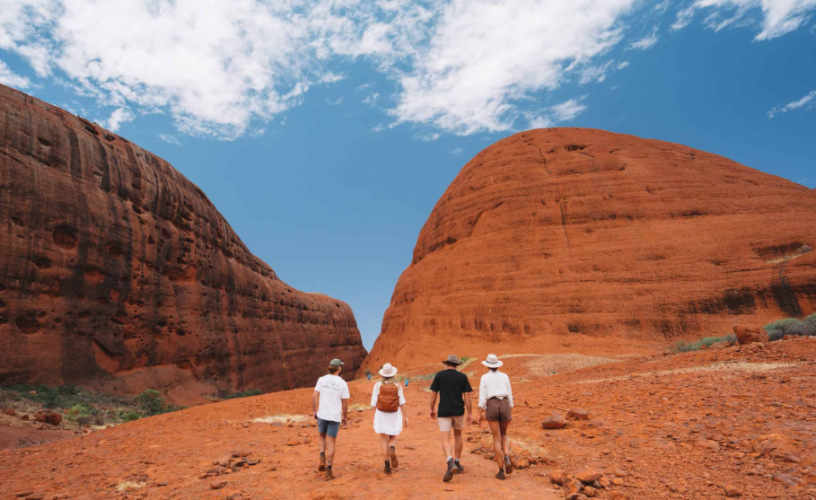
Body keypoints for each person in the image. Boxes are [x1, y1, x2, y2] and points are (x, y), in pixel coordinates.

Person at [429, 354, 473, 482]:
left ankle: (450, 462)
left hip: (444, 411)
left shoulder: (440, 375)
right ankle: (457, 462)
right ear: (456, 365)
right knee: (458, 435)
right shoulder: (462, 377)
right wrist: (470, 412)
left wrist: (431, 409)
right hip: (458, 411)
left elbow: (433, 394)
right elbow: (468, 396)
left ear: (447, 364)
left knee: (445, 438)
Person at [477, 354, 514, 480]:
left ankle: (501, 470)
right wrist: (510, 408)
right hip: (504, 403)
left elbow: (482, 397)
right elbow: (510, 393)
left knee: (496, 438)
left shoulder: (484, 377)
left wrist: (480, 413)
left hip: (492, 404)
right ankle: (507, 456)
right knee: (504, 435)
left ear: (487, 365)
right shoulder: (505, 376)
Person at [312, 358, 350, 480]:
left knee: (322, 436)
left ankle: (322, 456)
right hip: (334, 416)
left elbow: (314, 397)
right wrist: (345, 417)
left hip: (322, 414)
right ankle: (328, 470)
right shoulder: (343, 383)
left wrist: (314, 411)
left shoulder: (321, 379)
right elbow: (345, 403)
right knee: (332, 442)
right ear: (339, 368)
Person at [370, 363, 409, 474]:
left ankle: (387, 465)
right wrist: (406, 416)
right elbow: (402, 402)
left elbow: (373, 402)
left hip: (381, 413)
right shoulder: (397, 384)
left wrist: (375, 415)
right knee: (392, 436)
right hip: (394, 413)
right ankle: (392, 447)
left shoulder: (378, 384)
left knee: (383, 439)